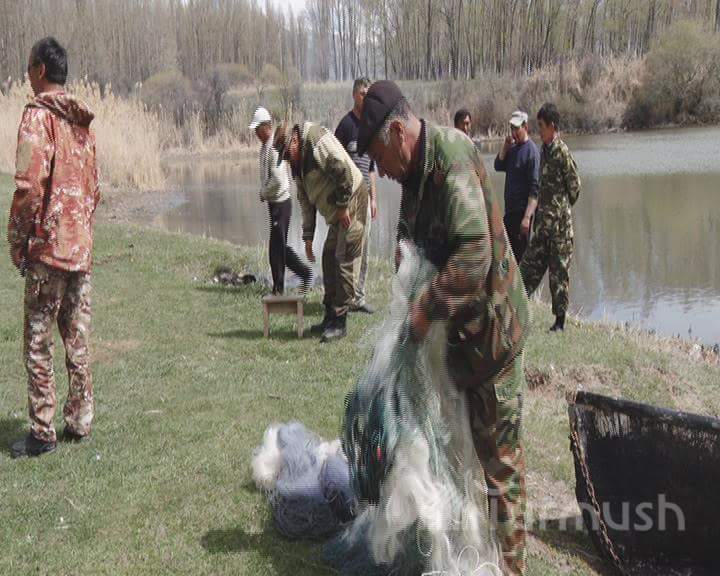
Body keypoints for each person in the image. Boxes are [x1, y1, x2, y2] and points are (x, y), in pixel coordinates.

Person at [357, 80, 530, 575]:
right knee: (455, 456)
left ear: (397, 132)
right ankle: (471, 557)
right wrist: (404, 267)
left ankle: (512, 568)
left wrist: (423, 309)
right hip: (457, 343)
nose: (380, 172)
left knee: (499, 467)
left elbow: (474, 257)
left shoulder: (451, 156)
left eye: (378, 158)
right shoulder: (413, 178)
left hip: (492, 339)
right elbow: (409, 238)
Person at [8, 37, 100, 458]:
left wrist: (17, 241)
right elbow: (94, 190)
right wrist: (81, 232)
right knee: (76, 338)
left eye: (29, 67)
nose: (27, 75)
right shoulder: (83, 125)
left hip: (47, 252)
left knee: (38, 340)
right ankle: (80, 421)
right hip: (80, 250)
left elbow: (29, 187)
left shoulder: (37, 116)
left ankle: (43, 432)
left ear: (40, 70)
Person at [273, 121, 368, 343]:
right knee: (328, 258)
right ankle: (329, 317)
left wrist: (343, 206)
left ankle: (340, 322)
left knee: (343, 260)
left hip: (352, 199)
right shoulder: (297, 165)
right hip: (338, 211)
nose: (287, 160)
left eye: (287, 154)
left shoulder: (315, 141)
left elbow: (342, 171)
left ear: (294, 140)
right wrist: (308, 237)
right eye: (284, 157)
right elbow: (306, 202)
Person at [519, 102, 581, 332]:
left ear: (552, 126)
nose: (539, 131)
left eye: (542, 126)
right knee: (527, 269)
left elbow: (575, 186)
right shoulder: (543, 151)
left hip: (560, 230)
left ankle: (559, 324)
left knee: (558, 275)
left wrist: (561, 209)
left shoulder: (561, 152)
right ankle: (513, 311)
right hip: (543, 226)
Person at [249, 106, 311, 295]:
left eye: (258, 129)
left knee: (276, 250)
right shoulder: (266, 146)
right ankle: (304, 273)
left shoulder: (273, 147)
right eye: (255, 129)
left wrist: (263, 193)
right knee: (279, 246)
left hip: (281, 204)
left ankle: (279, 289)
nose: (256, 133)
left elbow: (277, 180)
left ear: (267, 127)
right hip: (276, 204)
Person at [335, 77, 377, 314]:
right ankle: (346, 298)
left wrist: (374, 198)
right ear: (354, 95)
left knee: (365, 250)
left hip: (366, 199)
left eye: (368, 94)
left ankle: (359, 298)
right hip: (349, 199)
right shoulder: (345, 126)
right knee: (349, 251)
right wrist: (341, 204)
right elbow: (335, 166)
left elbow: (371, 167)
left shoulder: (370, 126)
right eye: (363, 94)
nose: (366, 98)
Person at [494, 110, 540, 262]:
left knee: (521, 261)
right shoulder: (512, 149)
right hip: (509, 213)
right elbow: (498, 165)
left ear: (525, 127)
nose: (513, 132)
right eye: (512, 128)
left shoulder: (531, 152)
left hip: (522, 215)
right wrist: (505, 147)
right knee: (504, 258)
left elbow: (535, 189)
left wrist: (527, 218)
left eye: (516, 128)